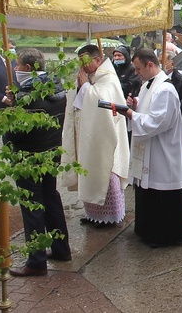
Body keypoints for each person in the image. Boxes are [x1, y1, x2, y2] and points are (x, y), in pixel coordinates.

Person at [4, 48, 72, 277]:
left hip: (29, 157)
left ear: (28, 68)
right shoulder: (57, 87)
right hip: (51, 152)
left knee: (31, 206)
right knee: (51, 198)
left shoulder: (27, 96)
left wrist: (10, 108)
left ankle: (36, 261)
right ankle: (61, 249)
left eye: (18, 66)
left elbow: (14, 132)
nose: (15, 69)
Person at [121, 48, 182, 247]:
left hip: (163, 149)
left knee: (160, 190)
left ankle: (165, 235)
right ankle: (148, 230)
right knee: (148, 189)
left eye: (138, 69)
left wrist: (130, 114)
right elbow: (147, 110)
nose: (136, 72)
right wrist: (136, 105)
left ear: (150, 65)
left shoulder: (165, 89)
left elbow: (158, 121)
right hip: (150, 147)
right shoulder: (147, 85)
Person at [61, 44, 130, 227]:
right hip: (87, 133)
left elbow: (103, 103)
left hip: (104, 136)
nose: (82, 66)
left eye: (85, 61)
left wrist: (85, 87)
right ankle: (92, 214)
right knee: (87, 170)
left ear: (98, 60)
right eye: (80, 62)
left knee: (103, 173)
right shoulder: (88, 76)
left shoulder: (108, 78)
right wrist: (79, 87)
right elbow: (76, 100)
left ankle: (109, 217)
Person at [160, 53, 182, 169]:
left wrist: (173, 104)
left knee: (180, 148)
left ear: (171, 64)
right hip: (163, 120)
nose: (161, 65)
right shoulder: (159, 80)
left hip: (178, 120)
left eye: (163, 62)